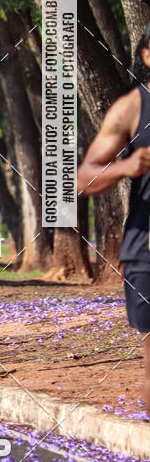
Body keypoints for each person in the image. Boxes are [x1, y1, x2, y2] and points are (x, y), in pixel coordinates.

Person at [77, 23, 150, 417]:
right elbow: (84, 178)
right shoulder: (132, 108)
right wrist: (127, 166)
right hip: (147, 248)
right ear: (146, 56)